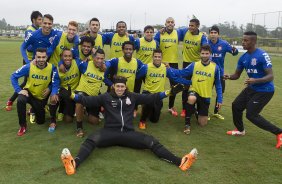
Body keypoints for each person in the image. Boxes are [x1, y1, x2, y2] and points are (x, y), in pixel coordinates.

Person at [59, 75, 198, 175]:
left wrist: (169, 92)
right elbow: (86, 100)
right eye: (117, 86)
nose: (120, 89)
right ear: (113, 86)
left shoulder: (132, 96)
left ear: (126, 87)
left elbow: (151, 98)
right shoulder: (106, 97)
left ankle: (181, 162)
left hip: (128, 133)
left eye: (122, 86)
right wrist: (71, 95)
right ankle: (73, 164)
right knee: (90, 140)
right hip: (109, 132)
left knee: (151, 142)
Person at [224, 31, 282, 149]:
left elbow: (270, 76)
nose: (243, 42)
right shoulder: (243, 57)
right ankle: (240, 130)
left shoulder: (262, 55)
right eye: (243, 40)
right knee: (236, 106)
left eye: (246, 40)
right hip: (251, 88)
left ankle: (279, 132)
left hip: (265, 90)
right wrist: (228, 76)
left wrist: (255, 80)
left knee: (251, 114)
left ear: (254, 41)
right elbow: (237, 75)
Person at [168, 45, 222, 134]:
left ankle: (195, 111)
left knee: (202, 123)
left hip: (205, 95)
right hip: (194, 90)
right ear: (200, 54)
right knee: (191, 98)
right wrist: (169, 69)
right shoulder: (194, 65)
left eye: (206, 53)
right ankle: (187, 124)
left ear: (210, 54)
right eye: (203, 53)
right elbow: (182, 72)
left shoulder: (215, 68)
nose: (204, 55)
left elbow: (218, 84)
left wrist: (219, 99)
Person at [10, 48, 56, 136]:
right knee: (20, 100)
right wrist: (19, 90)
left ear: (46, 57)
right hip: (29, 93)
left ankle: (32, 109)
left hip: (40, 97)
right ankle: (23, 125)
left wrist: (50, 88)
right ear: (35, 57)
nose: (41, 59)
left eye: (43, 57)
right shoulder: (29, 66)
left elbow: (55, 82)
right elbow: (13, 76)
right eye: (39, 57)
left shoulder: (52, 68)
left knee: (41, 121)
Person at [5, 11, 42, 111]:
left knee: (30, 82)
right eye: (39, 19)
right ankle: (12, 100)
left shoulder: (38, 30)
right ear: (34, 20)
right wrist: (28, 60)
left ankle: (31, 106)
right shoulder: (30, 31)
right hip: (30, 61)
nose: (41, 21)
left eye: (41, 19)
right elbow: (29, 48)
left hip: (37, 61)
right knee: (27, 83)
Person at [136, 48, 175, 129]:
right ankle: (142, 121)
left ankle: (147, 109)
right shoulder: (146, 67)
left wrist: (186, 82)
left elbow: (174, 77)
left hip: (158, 95)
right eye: (155, 56)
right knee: (149, 102)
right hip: (147, 92)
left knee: (154, 120)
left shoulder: (165, 68)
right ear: (152, 57)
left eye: (159, 57)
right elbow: (137, 77)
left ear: (162, 58)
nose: (157, 58)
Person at [73, 48, 107, 137]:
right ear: (93, 57)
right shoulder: (85, 65)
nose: (99, 60)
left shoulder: (105, 68)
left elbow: (106, 80)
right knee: (79, 102)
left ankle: (86, 111)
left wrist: (113, 85)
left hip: (94, 96)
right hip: (82, 92)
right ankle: (79, 128)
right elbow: (74, 59)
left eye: (102, 59)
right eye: (97, 58)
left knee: (94, 121)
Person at [179, 18, 208, 118]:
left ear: (197, 26)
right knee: (185, 87)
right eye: (189, 25)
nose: (190, 27)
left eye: (192, 25)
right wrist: (163, 29)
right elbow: (174, 32)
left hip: (197, 65)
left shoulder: (202, 37)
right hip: (186, 63)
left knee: (196, 86)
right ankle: (184, 109)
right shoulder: (184, 31)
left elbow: (205, 49)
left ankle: (195, 107)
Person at [208, 25, 238, 120]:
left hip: (219, 73)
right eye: (211, 33)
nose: (213, 34)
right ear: (210, 34)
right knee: (206, 93)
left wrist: (235, 50)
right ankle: (204, 112)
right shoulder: (206, 43)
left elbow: (234, 53)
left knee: (220, 93)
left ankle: (216, 112)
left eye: (215, 33)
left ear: (218, 34)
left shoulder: (224, 44)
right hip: (207, 73)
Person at [154, 17, 182, 117]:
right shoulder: (159, 33)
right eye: (168, 22)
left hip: (173, 63)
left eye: (172, 22)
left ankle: (170, 106)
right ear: (165, 23)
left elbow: (190, 31)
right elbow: (155, 47)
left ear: (174, 24)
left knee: (175, 86)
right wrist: (160, 61)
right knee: (157, 84)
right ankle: (155, 103)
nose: (170, 23)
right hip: (161, 63)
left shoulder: (178, 32)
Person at [49, 49, 81, 132]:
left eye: (69, 56)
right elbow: (55, 84)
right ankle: (52, 121)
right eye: (65, 56)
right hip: (63, 90)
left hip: (75, 91)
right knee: (53, 98)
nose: (68, 58)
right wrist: (54, 93)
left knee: (68, 120)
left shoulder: (77, 63)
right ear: (61, 57)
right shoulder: (57, 70)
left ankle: (66, 110)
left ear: (72, 57)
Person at [134, 25, 159, 117]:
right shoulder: (138, 41)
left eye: (151, 32)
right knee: (136, 90)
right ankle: (135, 108)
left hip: (149, 70)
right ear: (144, 33)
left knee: (149, 89)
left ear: (153, 33)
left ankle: (149, 106)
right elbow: (131, 51)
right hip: (138, 69)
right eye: (147, 32)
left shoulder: (156, 43)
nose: (149, 33)